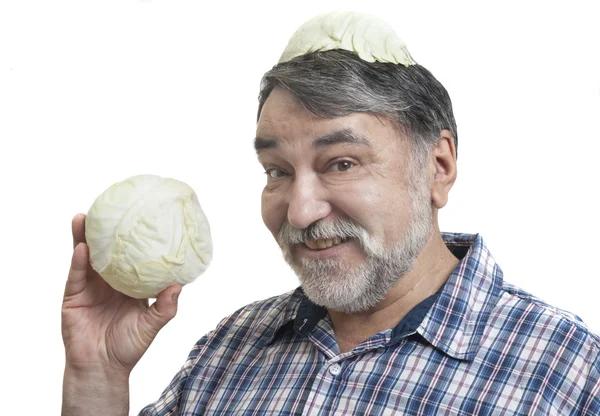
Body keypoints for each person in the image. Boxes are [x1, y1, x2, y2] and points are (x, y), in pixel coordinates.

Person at [61, 11, 600, 416]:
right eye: (277, 170)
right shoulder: (229, 349)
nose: (299, 210)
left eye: (340, 162)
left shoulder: (568, 372)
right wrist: (99, 374)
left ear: (438, 166)